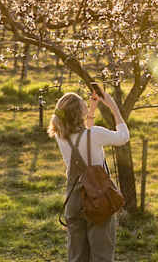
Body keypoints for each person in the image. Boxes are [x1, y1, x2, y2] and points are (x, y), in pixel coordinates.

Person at [48, 88, 129, 262]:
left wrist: (91, 110)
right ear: (78, 114)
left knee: (77, 256)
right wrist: (114, 108)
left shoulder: (61, 136)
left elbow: (85, 137)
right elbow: (123, 137)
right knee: (101, 256)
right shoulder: (95, 135)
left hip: (74, 200)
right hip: (97, 199)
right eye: (84, 105)